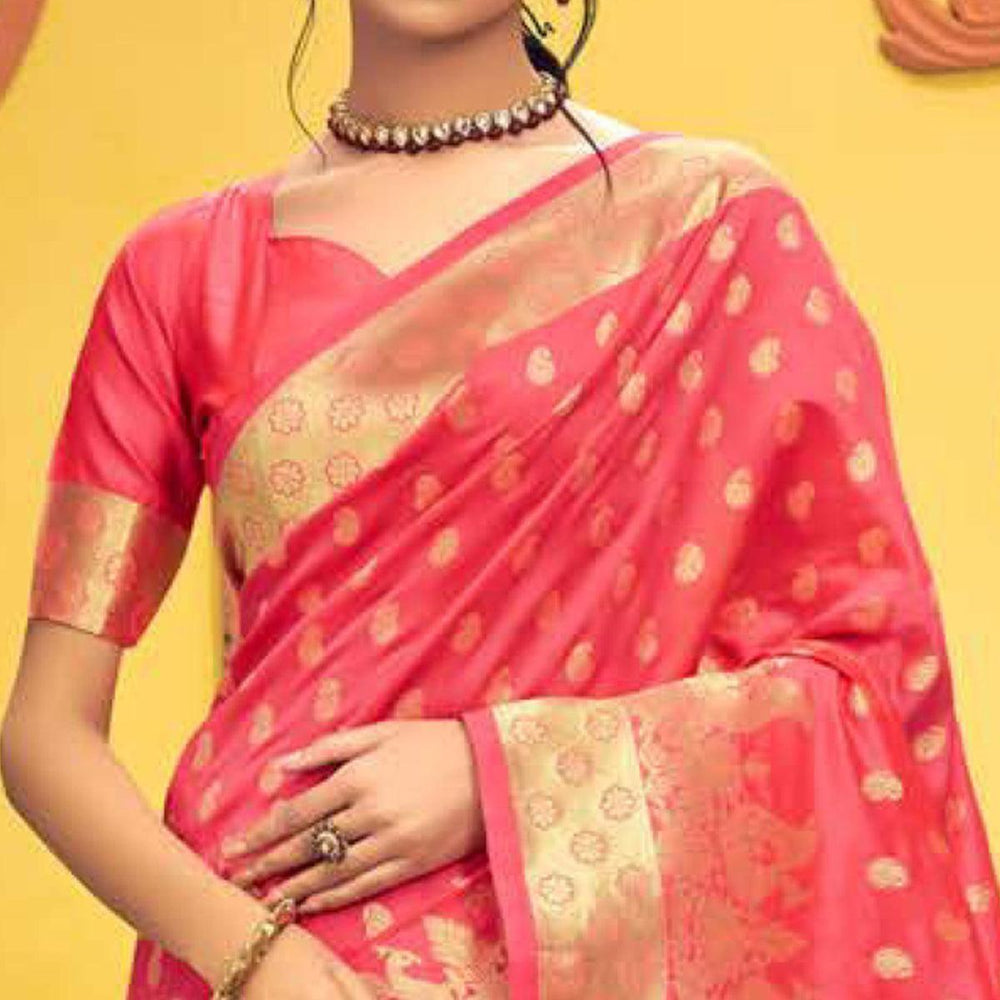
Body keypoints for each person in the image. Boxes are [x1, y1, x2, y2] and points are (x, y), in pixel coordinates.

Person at [3, 1, 999, 997]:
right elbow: (47, 731)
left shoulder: (710, 225)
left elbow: (869, 678)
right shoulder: (184, 269)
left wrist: (502, 771)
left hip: (568, 951)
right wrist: (248, 952)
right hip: (254, 934)